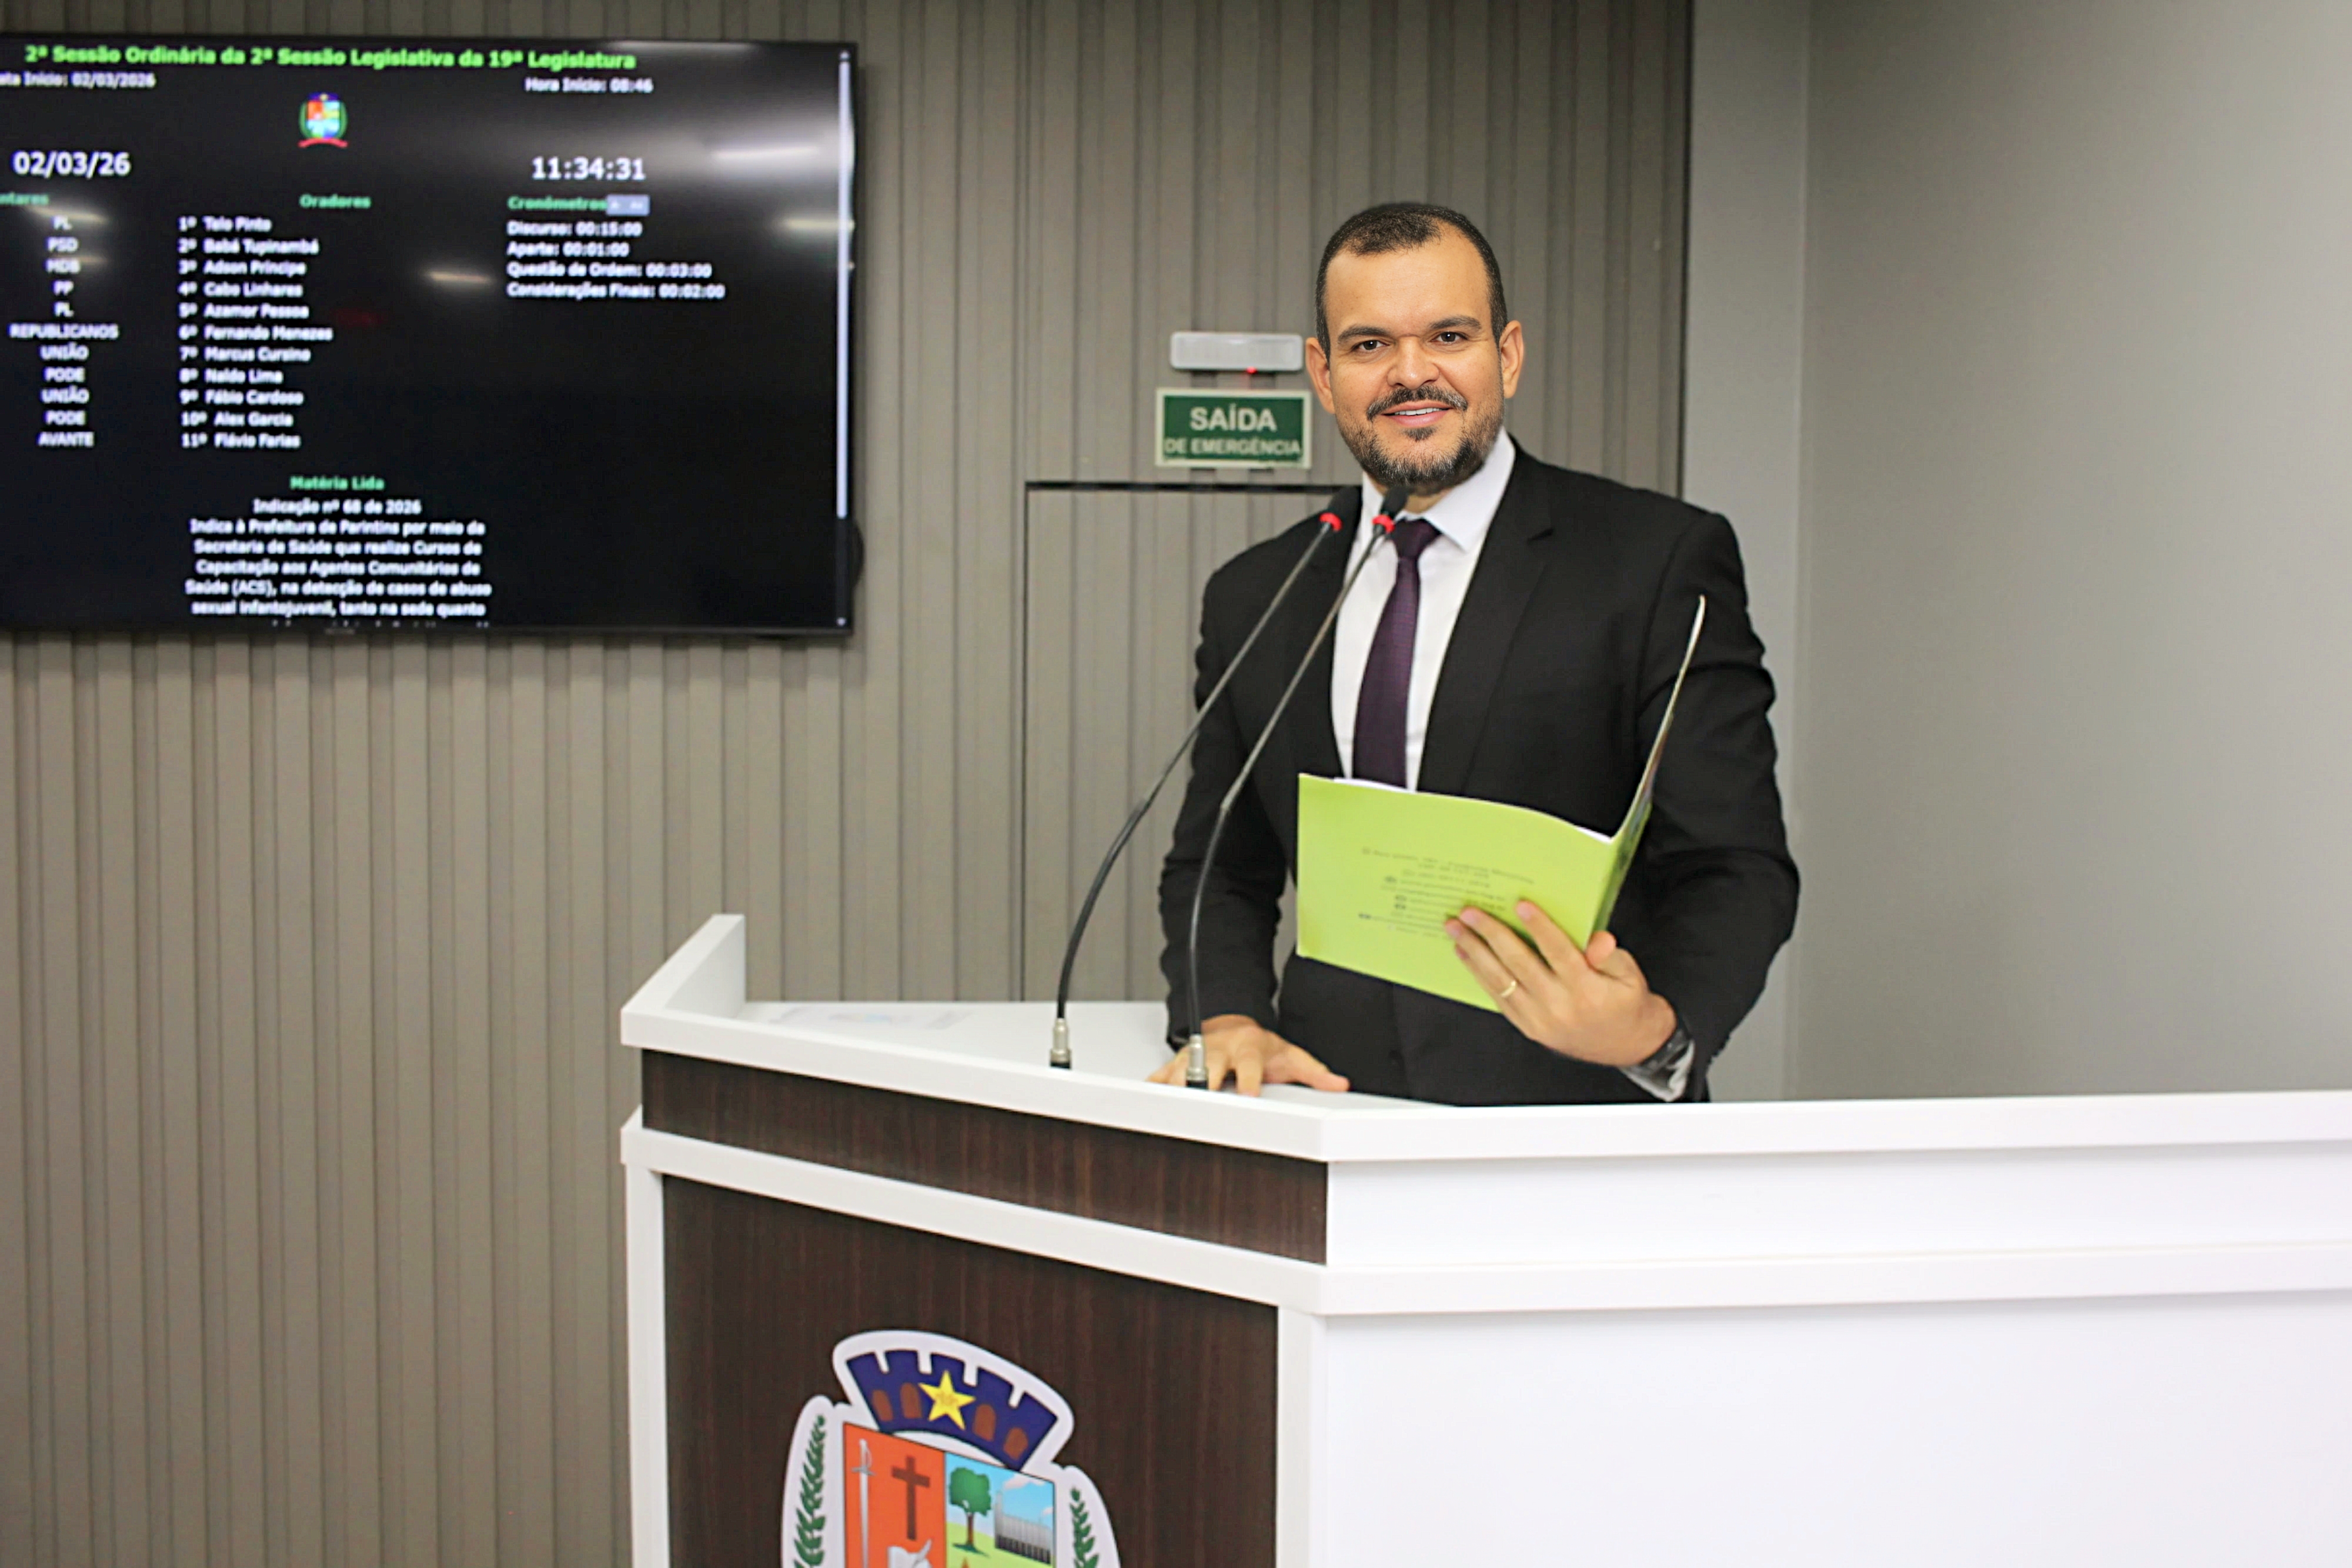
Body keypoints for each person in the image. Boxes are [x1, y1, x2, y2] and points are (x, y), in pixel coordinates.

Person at [1150, 203, 1797, 1104]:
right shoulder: (1257, 595)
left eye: (1449, 335)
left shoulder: (1654, 561)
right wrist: (1225, 1017)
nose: (1412, 373)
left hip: (1573, 1117)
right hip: (1324, 1113)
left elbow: (1735, 863)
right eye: (1370, 344)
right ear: (1323, 373)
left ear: (1509, 354)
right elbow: (1222, 861)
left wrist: (1658, 1029)